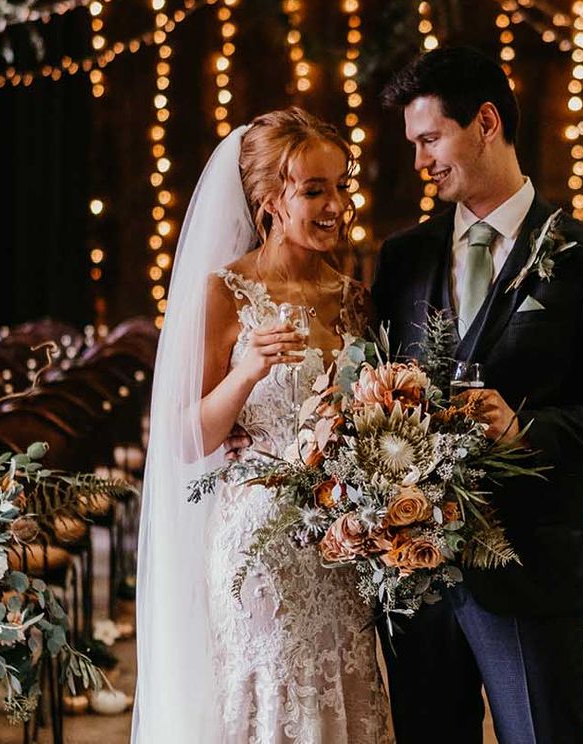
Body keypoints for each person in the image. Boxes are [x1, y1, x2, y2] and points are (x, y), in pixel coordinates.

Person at [372, 46, 583, 744]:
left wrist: (527, 429)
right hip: (417, 582)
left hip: (530, 576)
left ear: (483, 122)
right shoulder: (402, 259)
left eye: (428, 140)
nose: (420, 163)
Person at [132, 107, 392, 744]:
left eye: (341, 186)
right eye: (314, 190)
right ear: (270, 200)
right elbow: (183, 438)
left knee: (344, 695)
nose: (335, 205)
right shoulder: (225, 291)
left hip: (340, 544)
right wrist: (245, 371)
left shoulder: (353, 298)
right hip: (258, 551)